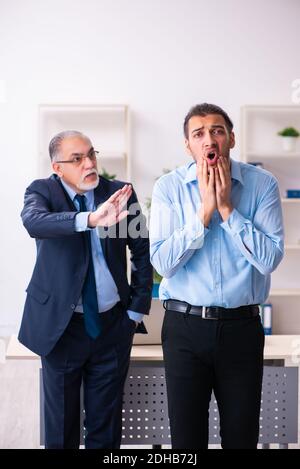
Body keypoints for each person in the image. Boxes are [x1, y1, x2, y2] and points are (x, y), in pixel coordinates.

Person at [149, 103, 284, 449]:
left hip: (242, 329)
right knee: (186, 442)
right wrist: (204, 215)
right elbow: (164, 262)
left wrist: (226, 209)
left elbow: (269, 259)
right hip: (184, 329)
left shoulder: (262, 185)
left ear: (231, 139)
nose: (209, 139)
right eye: (199, 134)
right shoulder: (169, 188)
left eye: (218, 130)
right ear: (189, 145)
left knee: (241, 439)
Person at [19, 130, 152, 449]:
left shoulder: (120, 192)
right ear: (57, 168)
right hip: (62, 329)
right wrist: (89, 219)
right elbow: (34, 222)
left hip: (113, 326)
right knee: (61, 429)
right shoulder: (41, 192)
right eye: (77, 159)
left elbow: (142, 250)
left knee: (105, 429)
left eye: (91, 154)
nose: (89, 163)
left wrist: (135, 310)